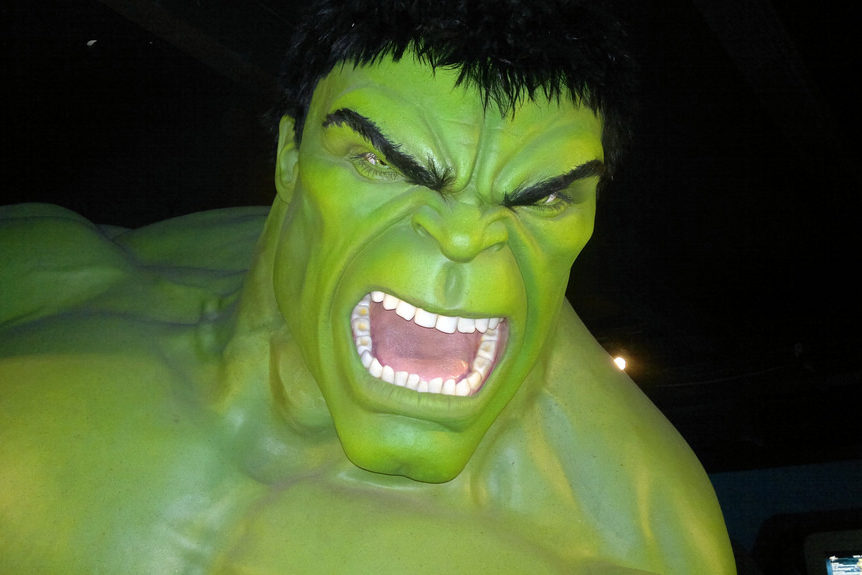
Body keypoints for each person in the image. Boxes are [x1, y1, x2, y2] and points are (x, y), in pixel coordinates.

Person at [0, 1, 735, 572]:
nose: (464, 235)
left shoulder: (626, 543)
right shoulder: (56, 289)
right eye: (383, 164)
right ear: (290, 157)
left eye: (543, 197)